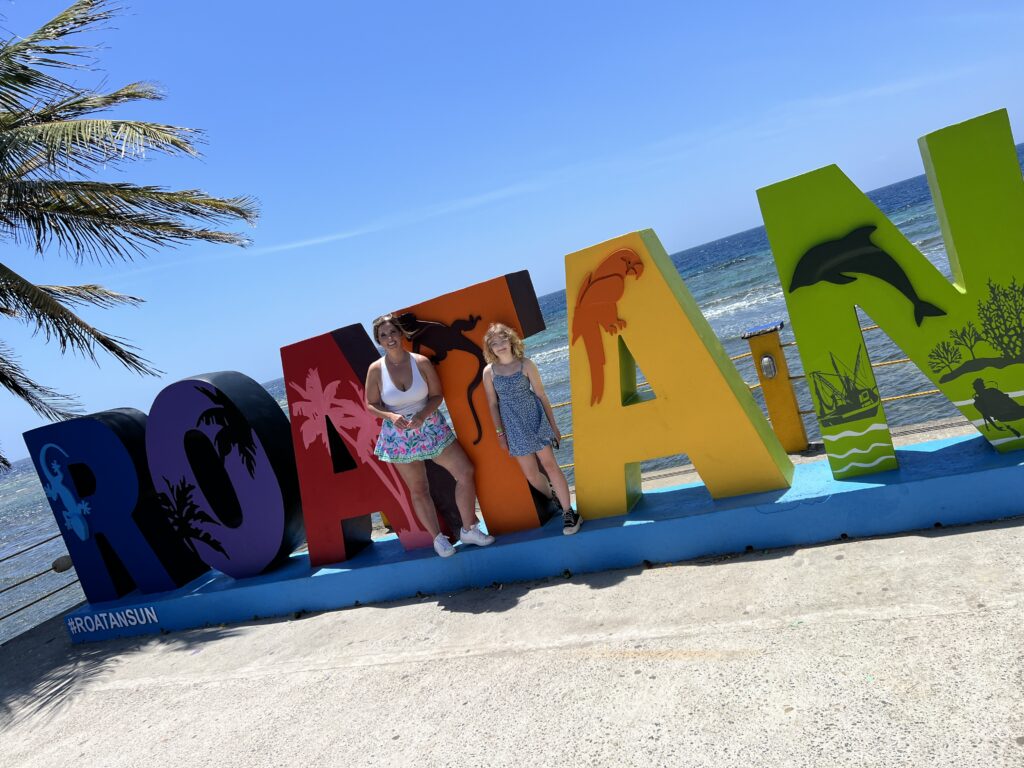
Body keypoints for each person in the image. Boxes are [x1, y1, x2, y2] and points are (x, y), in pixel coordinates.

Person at [365, 314, 495, 557]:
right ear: (379, 341)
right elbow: (371, 404)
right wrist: (392, 417)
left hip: (431, 426)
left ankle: (468, 529)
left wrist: (423, 415)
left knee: (465, 472)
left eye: (393, 332)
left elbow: (437, 395)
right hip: (399, 436)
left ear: (401, 333)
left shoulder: (421, 362)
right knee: (418, 488)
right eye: (384, 335)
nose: (390, 338)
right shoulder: (376, 370)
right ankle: (438, 540)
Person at [481, 323, 582, 534]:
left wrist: (554, 426)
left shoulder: (526, 364)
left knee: (551, 466)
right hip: (512, 425)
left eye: (502, 340)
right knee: (531, 474)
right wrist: (500, 434)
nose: (499, 345)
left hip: (535, 419)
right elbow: (492, 403)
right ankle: (553, 496)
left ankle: (569, 512)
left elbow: (541, 395)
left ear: (511, 340)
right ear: (490, 348)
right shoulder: (489, 372)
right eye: (494, 343)